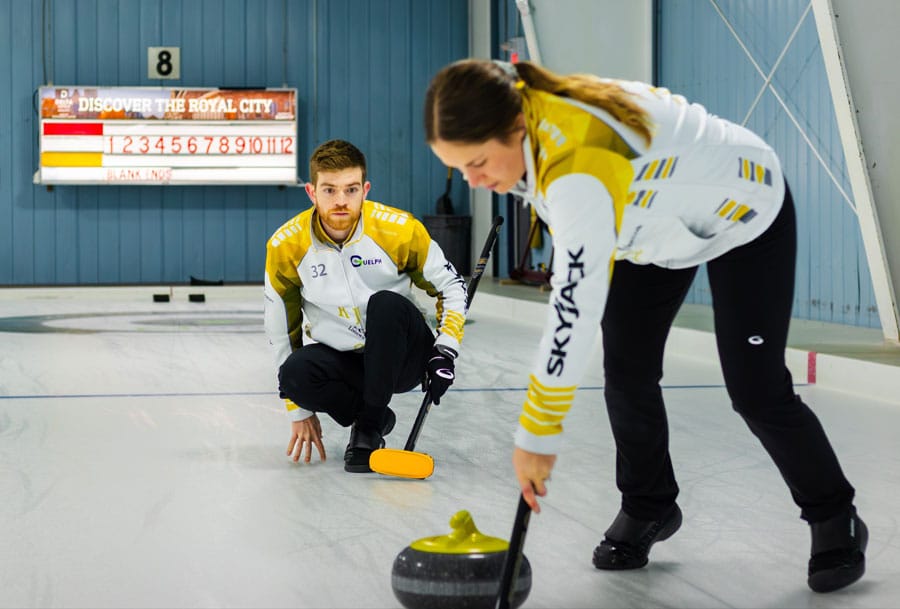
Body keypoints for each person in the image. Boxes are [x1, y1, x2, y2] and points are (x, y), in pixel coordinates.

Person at [424, 59, 867, 593]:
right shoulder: (529, 121)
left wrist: (536, 435)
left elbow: (573, 305)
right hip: (647, 229)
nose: (475, 181)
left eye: (476, 163)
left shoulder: (579, 161)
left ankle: (833, 515)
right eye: (459, 170)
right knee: (628, 374)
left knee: (756, 389)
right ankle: (649, 505)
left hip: (741, 212)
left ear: (516, 127)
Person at [263, 139, 468, 473]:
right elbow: (281, 330)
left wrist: (444, 350)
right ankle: (371, 415)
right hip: (346, 361)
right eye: (329, 190)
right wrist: (298, 410)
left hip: (402, 356)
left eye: (351, 189)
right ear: (311, 192)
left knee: (385, 304)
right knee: (294, 375)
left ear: (365, 189)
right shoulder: (286, 245)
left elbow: (451, 286)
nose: (341, 201)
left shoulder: (399, 230)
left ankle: (367, 430)